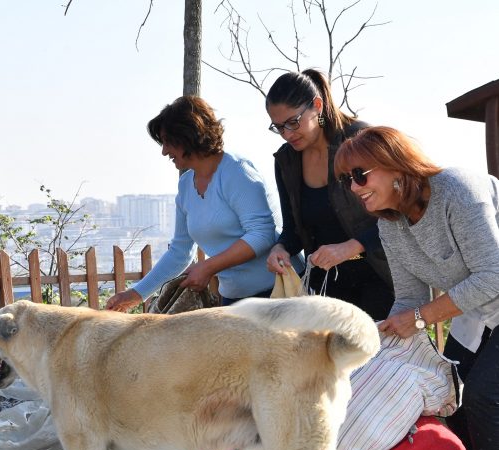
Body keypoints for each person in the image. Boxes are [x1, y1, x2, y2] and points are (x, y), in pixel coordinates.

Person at [334, 125, 499, 450]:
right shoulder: (390, 225)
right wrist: (388, 329)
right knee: (456, 400)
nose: (353, 189)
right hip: (479, 315)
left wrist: (422, 318)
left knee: (484, 396)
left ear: (394, 167)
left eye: (360, 175)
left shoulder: (457, 192)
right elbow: (410, 298)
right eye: (346, 180)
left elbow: (492, 274)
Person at [106, 96, 286, 312]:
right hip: (234, 300)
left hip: (278, 294)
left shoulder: (237, 172)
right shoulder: (185, 186)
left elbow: (262, 234)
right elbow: (180, 252)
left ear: (187, 135)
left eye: (167, 141)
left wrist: (208, 267)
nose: (164, 151)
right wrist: (136, 293)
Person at [264, 69, 394, 319]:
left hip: (383, 279)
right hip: (328, 290)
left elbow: (399, 214)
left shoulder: (360, 139)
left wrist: (354, 246)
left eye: (293, 122)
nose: (287, 134)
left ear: (317, 106)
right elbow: (293, 229)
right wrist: (280, 248)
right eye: (279, 127)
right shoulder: (286, 160)